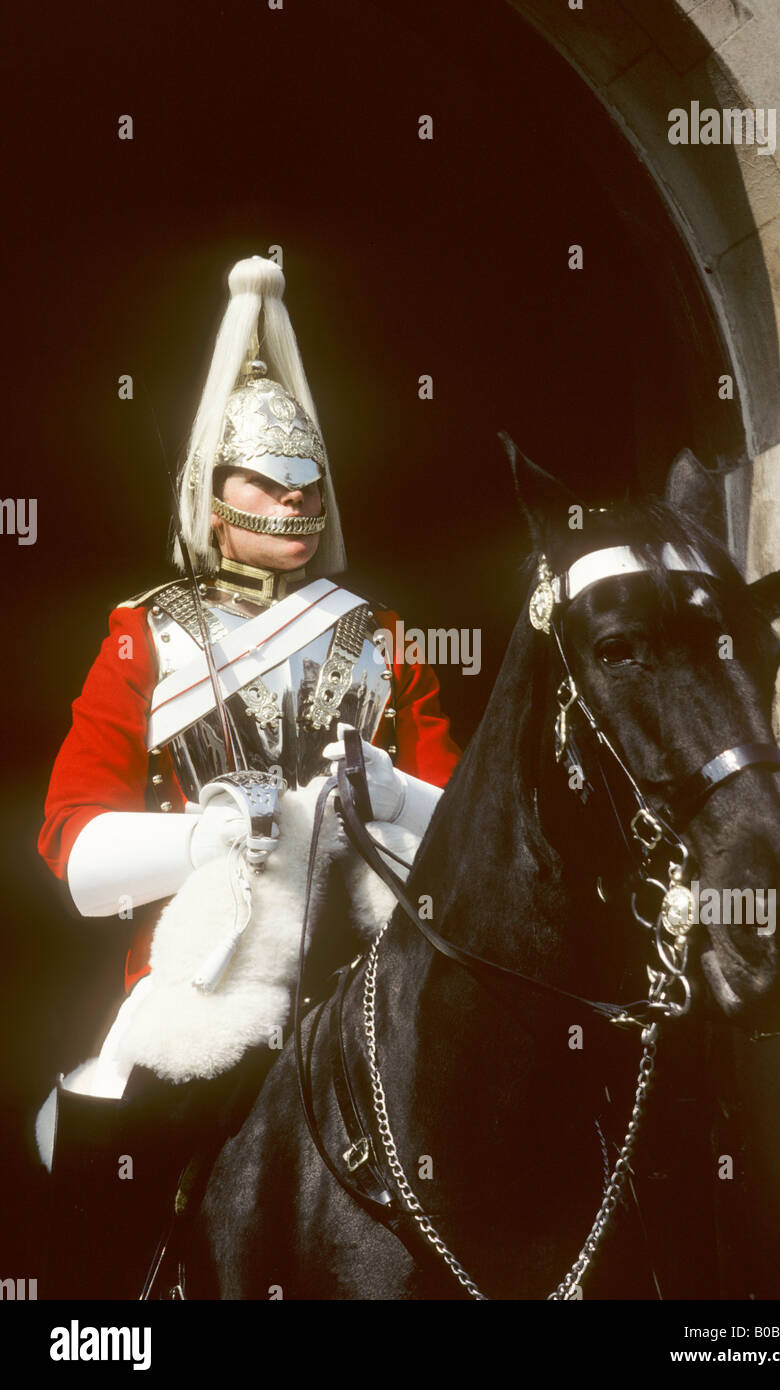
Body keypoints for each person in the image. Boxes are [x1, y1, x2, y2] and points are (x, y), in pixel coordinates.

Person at [36, 254, 461, 1296]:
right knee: (110, 1181)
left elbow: (465, 837)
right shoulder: (147, 635)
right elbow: (73, 841)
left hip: (373, 980)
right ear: (213, 494)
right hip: (207, 985)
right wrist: (204, 837)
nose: (292, 496)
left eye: (304, 480)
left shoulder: (382, 637)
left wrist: (391, 794)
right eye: (268, 479)